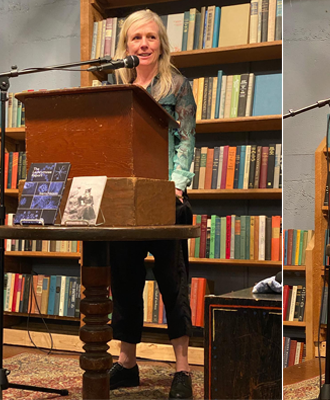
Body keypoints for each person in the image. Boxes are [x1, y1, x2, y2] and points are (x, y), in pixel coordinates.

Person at [107, 9, 196, 400]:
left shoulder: (177, 85)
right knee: (123, 281)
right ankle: (127, 363)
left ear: (162, 43)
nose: (143, 44)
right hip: (125, 199)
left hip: (166, 199)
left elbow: (187, 142)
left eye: (150, 37)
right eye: (135, 38)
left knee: (172, 283)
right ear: (125, 45)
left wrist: (175, 188)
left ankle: (182, 369)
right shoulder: (116, 87)